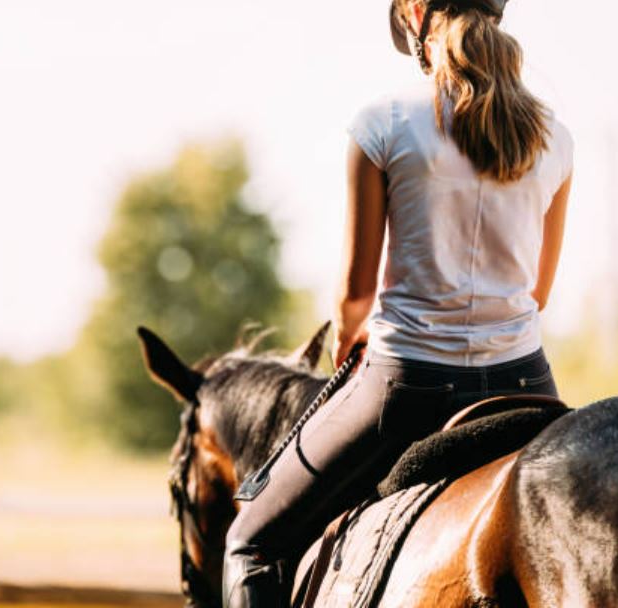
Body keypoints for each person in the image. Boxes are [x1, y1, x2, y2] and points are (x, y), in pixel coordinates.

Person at [221, 0, 574, 606]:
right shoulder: (555, 137)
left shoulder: (381, 123)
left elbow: (356, 295)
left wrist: (347, 339)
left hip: (406, 387)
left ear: (414, 13)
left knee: (251, 543)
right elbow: (536, 294)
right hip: (526, 382)